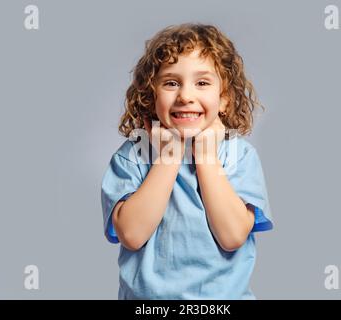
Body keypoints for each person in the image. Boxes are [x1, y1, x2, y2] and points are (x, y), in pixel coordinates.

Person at [101, 23, 274, 299]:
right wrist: (169, 156)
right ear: (150, 96)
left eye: (202, 83)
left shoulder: (238, 155)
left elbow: (232, 237)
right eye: (171, 83)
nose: (185, 96)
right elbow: (132, 235)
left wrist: (205, 156)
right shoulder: (132, 156)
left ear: (224, 99)